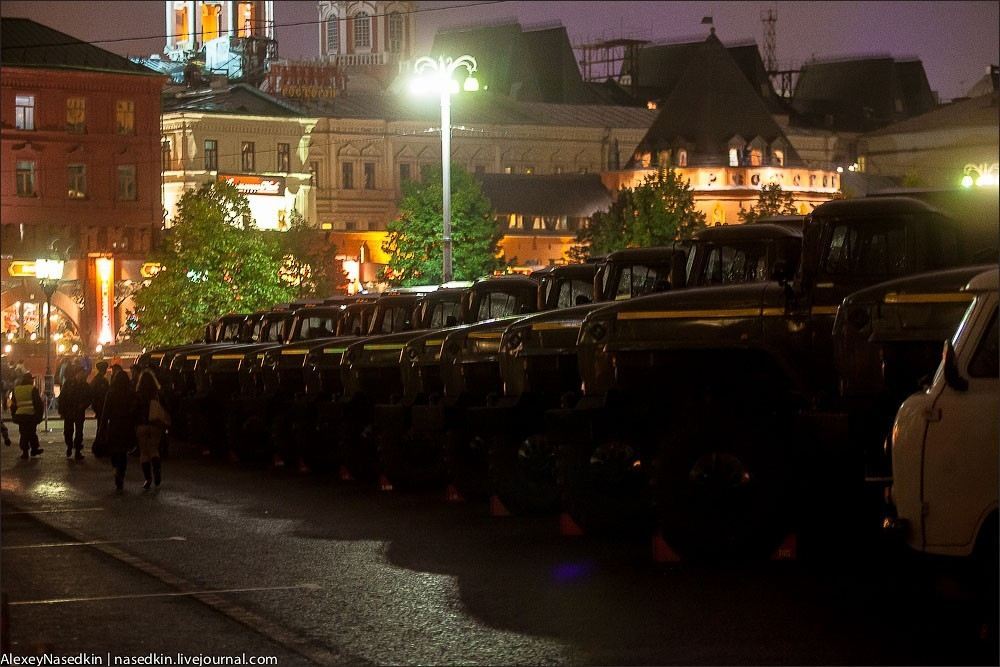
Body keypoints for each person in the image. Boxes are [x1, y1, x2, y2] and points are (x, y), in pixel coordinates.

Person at [99, 371, 136, 491]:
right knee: (123, 452)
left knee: (115, 450)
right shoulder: (130, 393)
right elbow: (134, 409)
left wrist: (102, 427)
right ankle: (121, 473)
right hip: (127, 425)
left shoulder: (111, 393)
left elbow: (105, 412)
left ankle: (115, 469)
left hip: (114, 425)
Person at [134, 368, 168, 490]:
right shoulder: (157, 394)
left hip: (141, 425)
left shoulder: (138, 395)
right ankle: (157, 471)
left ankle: (148, 478)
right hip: (155, 424)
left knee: (144, 452)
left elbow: (134, 410)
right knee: (154, 449)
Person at [58, 364, 90, 460]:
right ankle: (69, 446)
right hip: (69, 411)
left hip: (79, 412)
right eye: (81, 373)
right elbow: (62, 397)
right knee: (68, 431)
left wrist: (83, 405)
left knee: (79, 432)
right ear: (76, 374)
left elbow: (89, 398)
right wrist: (61, 411)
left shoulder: (85, 385)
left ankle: (77, 450)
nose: (82, 375)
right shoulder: (69, 383)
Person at [10, 372, 44, 459]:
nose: (33, 381)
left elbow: (13, 404)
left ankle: (25, 452)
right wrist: (39, 416)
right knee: (32, 433)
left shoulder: (16, 389)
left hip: (20, 415)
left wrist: (14, 415)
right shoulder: (32, 389)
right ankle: (34, 449)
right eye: (32, 379)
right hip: (31, 415)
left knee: (23, 433)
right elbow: (38, 404)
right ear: (29, 380)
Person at [89, 361, 110, 430]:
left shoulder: (96, 379)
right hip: (101, 404)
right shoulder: (101, 380)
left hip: (98, 404)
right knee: (102, 424)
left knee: (101, 423)